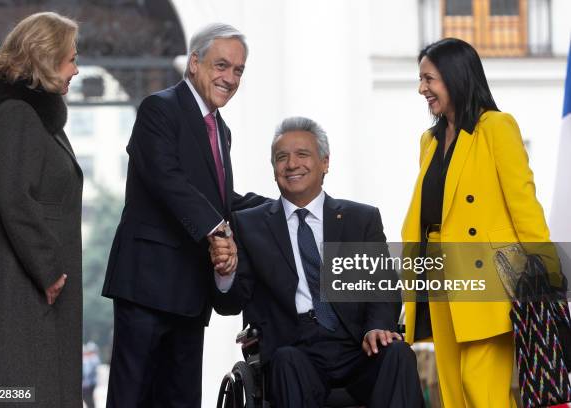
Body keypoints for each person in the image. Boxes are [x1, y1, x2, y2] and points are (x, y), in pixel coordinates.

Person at [101, 23, 266, 407]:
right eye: (221, 65)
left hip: (191, 291)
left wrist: (281, 210)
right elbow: (166, 178)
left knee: (182, 400)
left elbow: (220, 199)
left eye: (238, 70)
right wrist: (218, 230)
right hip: (147, 285)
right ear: (194, 63)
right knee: (132, 396)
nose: (230, 77)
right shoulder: (159, 108)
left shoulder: (220, 131)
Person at [211, 117, 424, 407]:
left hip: (356, 344)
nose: (291, 164)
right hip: (293, 349)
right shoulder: (251, 225)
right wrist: (226, 273)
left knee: (398, 354)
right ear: (274, 170)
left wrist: (378, 326)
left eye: (302, 154)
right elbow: (230, 304)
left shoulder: (358, 219)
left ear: (324, 163)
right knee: (286, 361)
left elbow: (382, 287)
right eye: (281, 157)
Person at [402, 38, 554, 407]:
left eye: (429, 79)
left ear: (455, 77)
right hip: (438, 274)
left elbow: (524, 205)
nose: (422, 88)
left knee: (480, 388)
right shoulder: (430, 141)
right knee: (453, 391)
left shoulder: (496, 128)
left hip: (489, 278)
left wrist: (549, 274)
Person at [0, 11, 82, 408]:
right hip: (21, 288)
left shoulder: (36, 119)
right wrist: (48, 271)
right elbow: (15, 198)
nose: (76, 70)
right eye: (71, 59)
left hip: (33, 289)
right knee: (17, 394)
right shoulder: (17, 116)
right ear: (45, 59)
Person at [82, 342, 101, 408]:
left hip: (89, 384)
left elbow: (87, 372)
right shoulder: (94, 358)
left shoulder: (93, 358)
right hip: (90, 383)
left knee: (88, 399)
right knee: (89, 399)